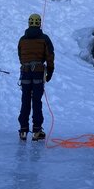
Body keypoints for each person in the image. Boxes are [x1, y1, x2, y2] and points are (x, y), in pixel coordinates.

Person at [18, 13, 54, 141]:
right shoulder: (44, 38)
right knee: (36, 102)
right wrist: (50, 72)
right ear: (39, 23)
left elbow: (20, 57)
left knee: (25, 101)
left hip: (25, 73)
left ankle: (23, 130)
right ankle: (37, 130)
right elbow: (50, 55)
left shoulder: (22, 39)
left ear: (29, 23)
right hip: (38, 73)